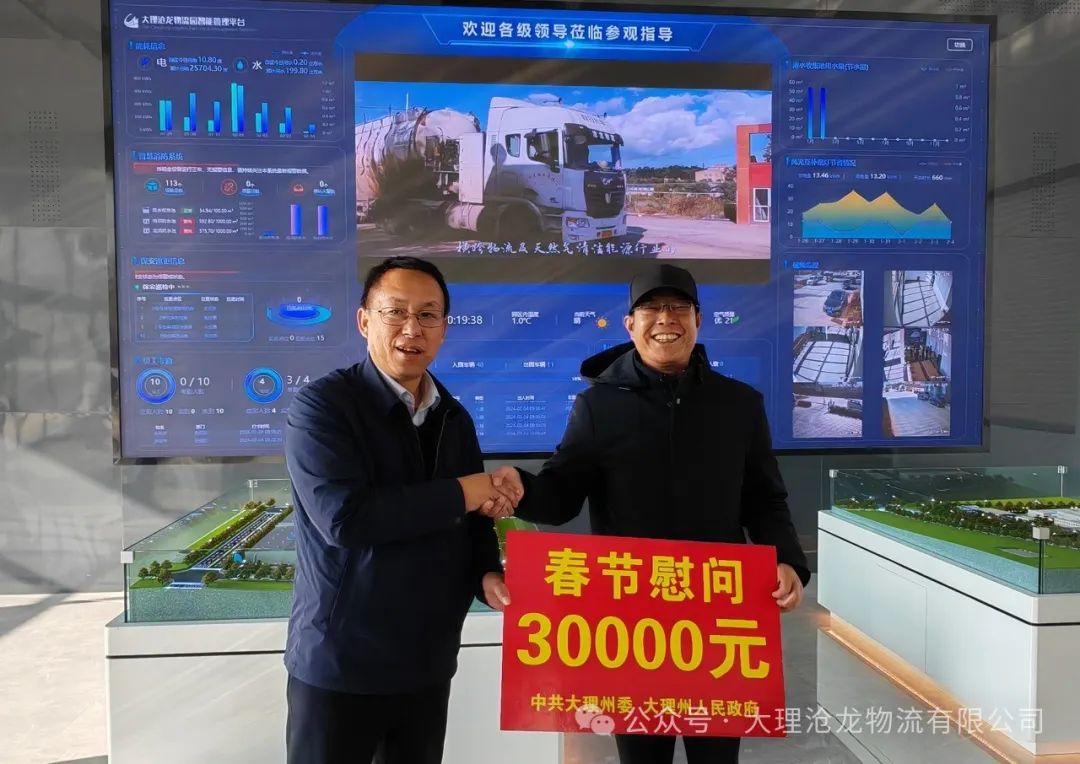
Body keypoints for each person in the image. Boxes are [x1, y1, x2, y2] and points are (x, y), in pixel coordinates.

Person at [492, 263, 810, 764]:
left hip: (718, 617)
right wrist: (522, 489)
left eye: (679, 307)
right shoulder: (598, 407)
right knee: (642, 757)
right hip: (632, 619)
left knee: (716, 756)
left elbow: (764, 498)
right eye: (651, 308)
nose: (666, 318)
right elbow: (562, 495)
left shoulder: (738, 405)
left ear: (698, 320)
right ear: (630, 324)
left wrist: (789, 560)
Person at [283, 256, 519, 764]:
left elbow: (473, 522)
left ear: (444, 328)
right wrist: (464, 490)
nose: (412, 329)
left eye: (428, 315)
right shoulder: (322, 408)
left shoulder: (453, 416)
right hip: (341, 664)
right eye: (395, 312)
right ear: (364, 320)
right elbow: (345, 519)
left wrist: (485, 573)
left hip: (426, 663)